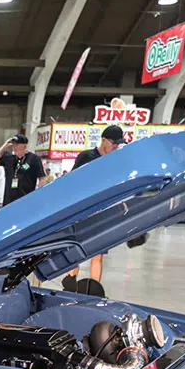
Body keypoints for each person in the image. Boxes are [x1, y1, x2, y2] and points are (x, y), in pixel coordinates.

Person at [63, 124, 126, 289]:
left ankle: (94, 289)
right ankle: (70, 287)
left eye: (118, 144)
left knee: (97, 254)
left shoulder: (115, 161)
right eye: (114, 143)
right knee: (74, 251)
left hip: (102, 211)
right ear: (104, 140)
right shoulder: (86, 157)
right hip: (80, 211)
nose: (116, 146)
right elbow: (71, 181)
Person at [0, 134, 42, 207]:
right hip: (8, 202)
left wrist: (38, 196)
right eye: (13, 145)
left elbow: (42, 178)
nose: (14, 147)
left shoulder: (33, 159)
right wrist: (5, 146)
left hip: (26, 200)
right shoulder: (10, 158)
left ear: (24, 146)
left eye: (16, 145)